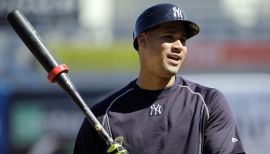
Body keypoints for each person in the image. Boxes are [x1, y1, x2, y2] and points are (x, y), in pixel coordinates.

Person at [74, 3, 245, 154]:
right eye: (169, 37)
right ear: (143, 41)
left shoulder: (208, 103)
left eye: (183, 40)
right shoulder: (104, 116)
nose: (179, 46)